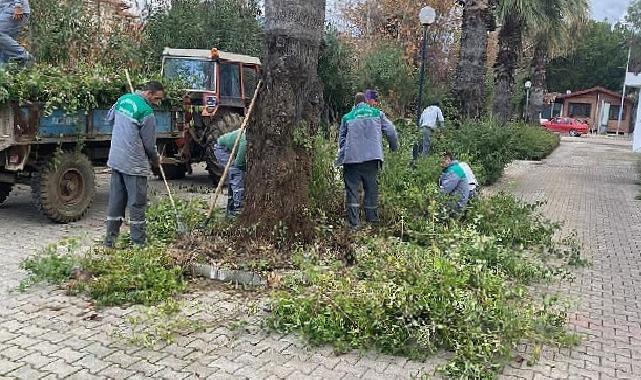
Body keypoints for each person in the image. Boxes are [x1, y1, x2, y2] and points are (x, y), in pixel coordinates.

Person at [104, 81, 165, 248]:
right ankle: (139, 244)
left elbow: (109, 119)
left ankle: (110, 241)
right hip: (134, 164)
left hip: (116, 159)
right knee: (137, 204)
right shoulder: (146, 112)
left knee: (116, 201)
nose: (158, 102)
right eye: (157, 98)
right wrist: (155, 158)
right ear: (149, 93)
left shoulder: (123, 100)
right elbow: (149, 143)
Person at [336, 92, 399, 229]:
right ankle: (372, 221)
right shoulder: (377, 113)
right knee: (371, 189)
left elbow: (341, 141)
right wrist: (394, 147)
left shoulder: (347, 117)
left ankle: (354, 224)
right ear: (366, 101)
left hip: (352, 160)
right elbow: (391, 131)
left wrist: (341, 158)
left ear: (355, 104)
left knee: (352, 190)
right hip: (372, 158)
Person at [213, 128, 247, 216]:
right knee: (237, 174)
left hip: (231, 148)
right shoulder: (245, 141)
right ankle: (237, 208)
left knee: (236, 176)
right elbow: (239, 163)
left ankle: (231, 207)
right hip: (222, 149)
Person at [0, 0, 31, 65]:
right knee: (4, 46)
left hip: (13, 8)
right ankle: (6, 70)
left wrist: (18, 5)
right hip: (3, 10)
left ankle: (23, 56)